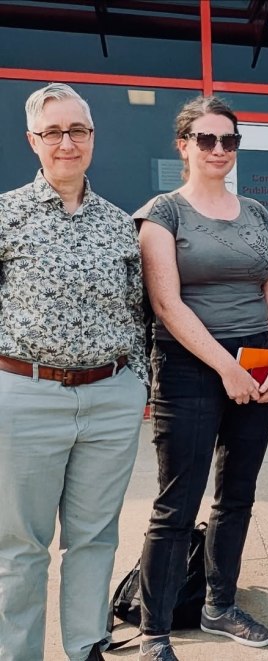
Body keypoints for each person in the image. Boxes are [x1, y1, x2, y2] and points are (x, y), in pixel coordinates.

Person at [135, 96, 268, 661]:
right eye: (206, 140)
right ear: (184, 146)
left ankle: (219, 605)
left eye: (228, 140)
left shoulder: (256, 214)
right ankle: (155, 633)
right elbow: (167, 304)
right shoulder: (163, 212)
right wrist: (224, 368)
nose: (218, 149)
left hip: (256, 362)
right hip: (188, 366)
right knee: (176, 504)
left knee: (237, 495)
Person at [0, 83, 148, 661]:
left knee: (94, 538)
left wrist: (137, 384)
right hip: (26, 395)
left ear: (92, 137)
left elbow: (137, 310)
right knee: (21, 546)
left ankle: (86, 647)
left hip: (110, 399)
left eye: (78, 130)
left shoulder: (117, 224)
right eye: (54, 131)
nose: (68, 142)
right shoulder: (6, 215)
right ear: (33, 140)